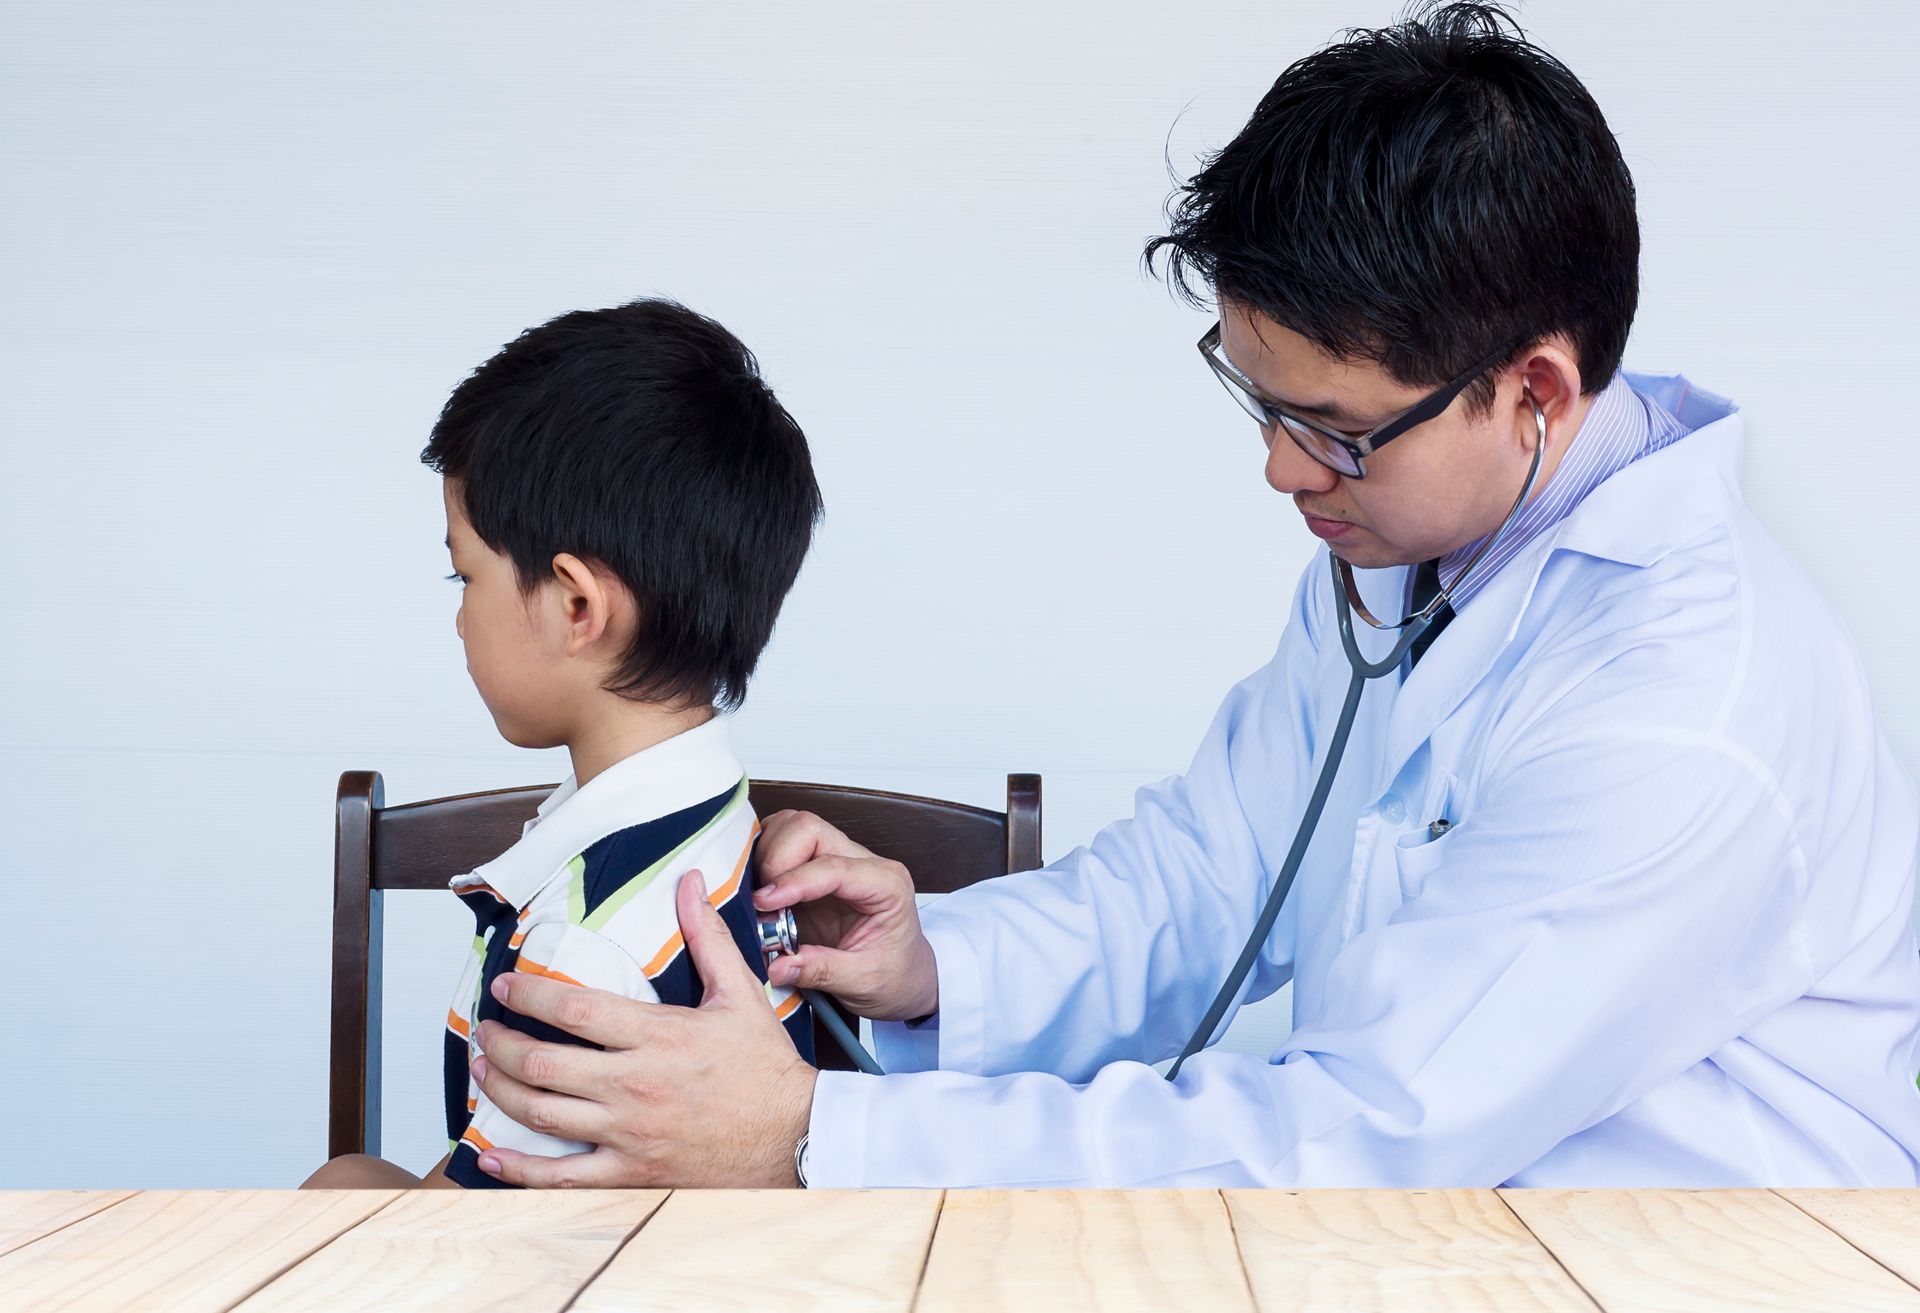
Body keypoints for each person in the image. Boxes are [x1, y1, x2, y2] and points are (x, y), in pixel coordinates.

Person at [461, 3, 1920, 1189]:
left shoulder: (1686, 710)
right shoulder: (1407, 565)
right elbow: (1207, 879)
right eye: (1261, 403)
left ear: (1533, 390)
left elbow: (1362, 1135)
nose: (1286, 472)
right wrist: (928, 966)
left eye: (1337, 426)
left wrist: (809, 1135)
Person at [302, 299, 822, 1189]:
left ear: (577, 606)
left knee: (339, 1184)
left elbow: (476, 1260)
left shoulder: (583, 951)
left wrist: (345, 1187)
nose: (460, 613)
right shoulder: (736, 840)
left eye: (463, 572)